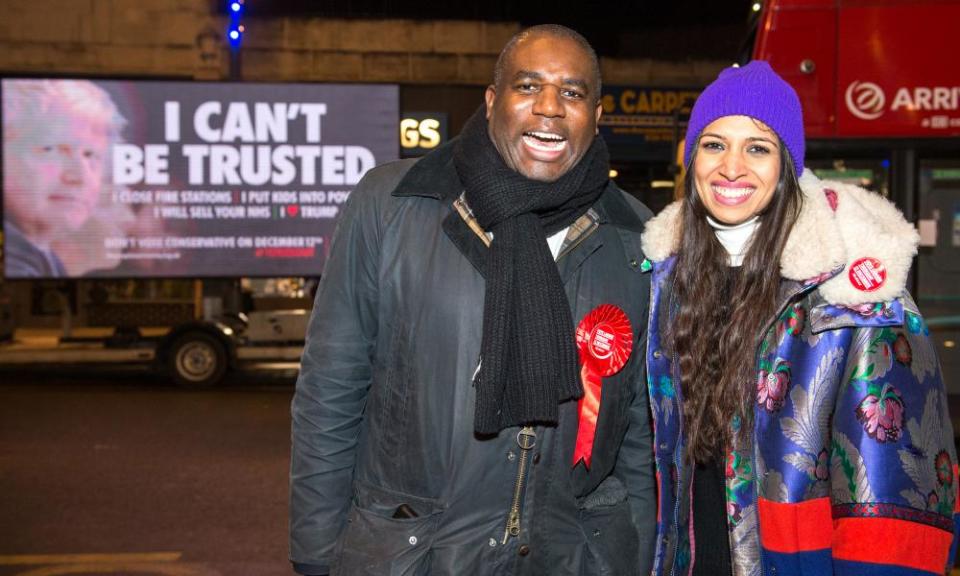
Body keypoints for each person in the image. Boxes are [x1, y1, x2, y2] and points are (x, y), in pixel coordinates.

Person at [290, 24, 656, 576]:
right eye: (528, 86)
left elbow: (636, 432)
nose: (550, 107)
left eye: (573, 93)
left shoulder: (635, 235)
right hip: (417, 554)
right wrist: (316, 556)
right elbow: (329, 393)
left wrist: (638, 556)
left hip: (572, 556)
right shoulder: (391, 205)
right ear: (491, 102)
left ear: (596, 115)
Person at [641, 60, 958, 576]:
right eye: (714, 144)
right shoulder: (668, 281)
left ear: (788, 165)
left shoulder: (857, 297)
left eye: (758, 148)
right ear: (691, 158)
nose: (732, 167)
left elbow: (897, 502)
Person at [2, 79, 127, 277]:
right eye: (50, 149)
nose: (80, 176)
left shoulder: (43, 259)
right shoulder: (14, 262)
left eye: (91, 155)